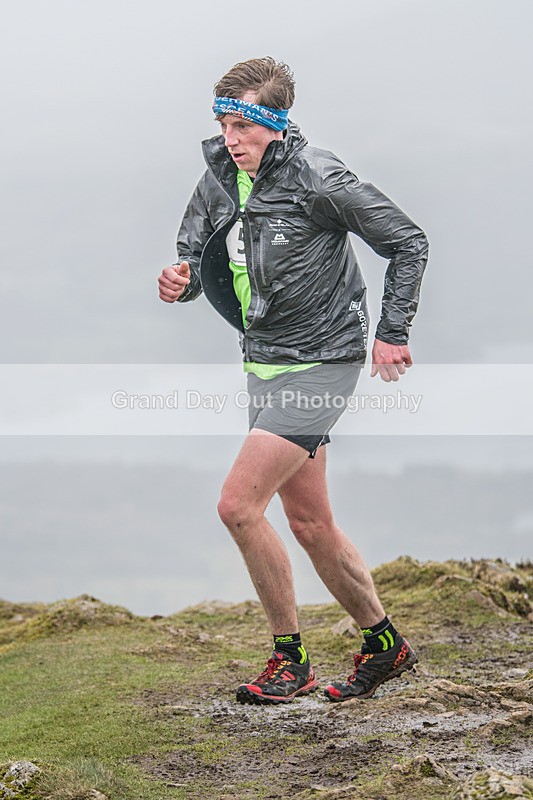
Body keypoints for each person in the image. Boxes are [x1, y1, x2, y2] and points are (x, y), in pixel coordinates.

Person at [158, 57, 429, 705]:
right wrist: (181, 280)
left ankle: (291, 660)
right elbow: (195, 253)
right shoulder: (223, 176)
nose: (229, 137)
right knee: (309, 522)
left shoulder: (317, 178)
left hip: (322, 363)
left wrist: (391, 332)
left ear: (274, 124)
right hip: (265, 361)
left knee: (237, 505)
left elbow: (407, 241)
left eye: (241, 125)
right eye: (222, 123)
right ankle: (384, 645)